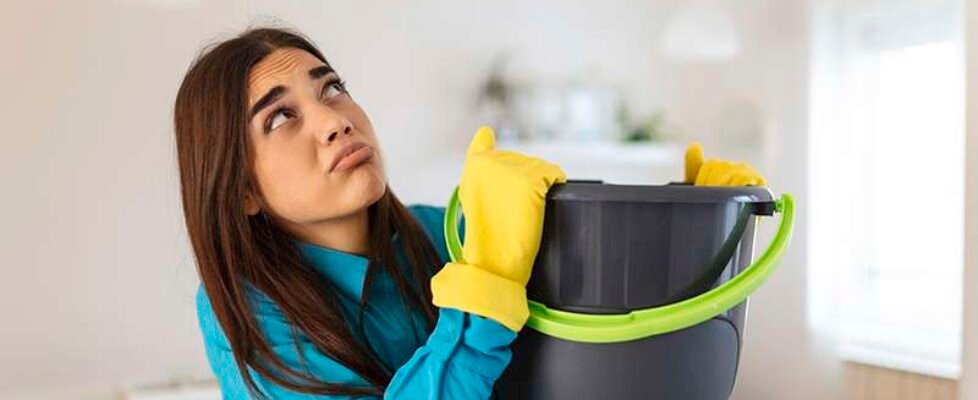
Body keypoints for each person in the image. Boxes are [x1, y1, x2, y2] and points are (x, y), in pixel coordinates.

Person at [173, 27, 766, 399]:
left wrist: (700, 223)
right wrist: (485, 281)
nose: (334, 119)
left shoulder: (446, 231)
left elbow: (607, 337)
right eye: (281, 117)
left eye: (330, 88)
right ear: (240, 190)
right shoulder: (243, 308)